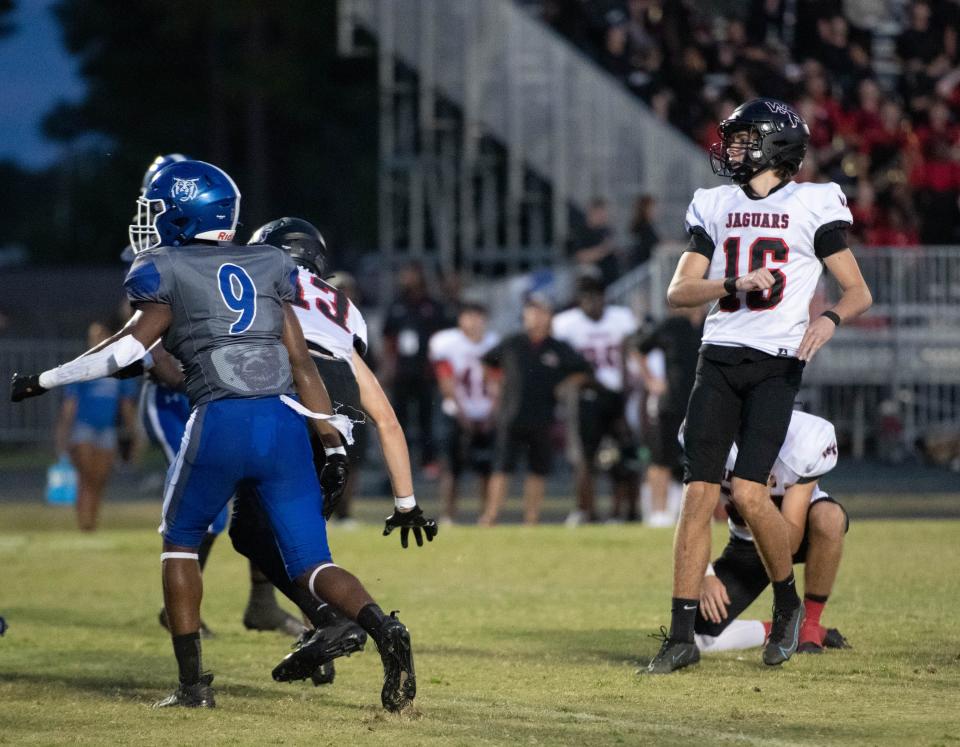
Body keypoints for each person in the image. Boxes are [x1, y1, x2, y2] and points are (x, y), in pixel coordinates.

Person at [11, 160, 419, 712]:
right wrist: (334, 443)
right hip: (283, 423)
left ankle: (193, 687)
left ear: (184, 212)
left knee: (180, 541)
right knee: (309, 561)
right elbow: (303, 364)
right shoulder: (270, 265)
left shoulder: (165, 267)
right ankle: (378, 626)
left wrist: (43, 379)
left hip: (221, 418)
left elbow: (128, 350)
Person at [646, 98, 872, 673]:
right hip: (717, 357)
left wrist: (829, 319)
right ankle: (678, 637)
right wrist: (732, 282)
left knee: (748, 493)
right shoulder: (715, 203)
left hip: (775, 362)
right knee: (697, 495)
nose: (733, 150)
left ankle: (789, 605)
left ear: (775, 145)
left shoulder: (811, 202)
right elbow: (678, 291)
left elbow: (858, 291)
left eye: (746, 140)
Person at [239, 217, 437, 686]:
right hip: (339, 414)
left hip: (289, 390)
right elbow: (386, 417)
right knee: (304, 546)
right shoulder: (342, 307)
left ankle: (333, 624)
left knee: (250, 530)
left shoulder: (261, 280)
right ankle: (359, 634)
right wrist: (405, 502)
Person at [130, 154, 303, 638]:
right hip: (179, 399)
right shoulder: (154, 260)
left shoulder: (221, 256)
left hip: (225, 395)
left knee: (257, 501)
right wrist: (186, 371)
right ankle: (179, 613)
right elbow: (136, 338)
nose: (148, 214)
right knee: (202, 513)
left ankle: (262, 604)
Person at [691, 411, 850, 655]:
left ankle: (810, 625)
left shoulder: (806, 437)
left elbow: (791, 542)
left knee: (829, 518)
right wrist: (706, 574)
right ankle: (780, 629)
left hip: (797, 534)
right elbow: (694, 516)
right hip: (747, 543)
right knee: (699, 632)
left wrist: (758, 506)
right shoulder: (705, 428)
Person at [479, 294, 591, 526]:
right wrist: (495, 387)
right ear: (525, 316)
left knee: (538, 469)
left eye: (542, 313)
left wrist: (565, 385)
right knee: (502, 467)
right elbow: (487, 362)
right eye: (532, 313)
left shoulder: (558, 348)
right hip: (511, 414)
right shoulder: (512, 343)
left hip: (542, 416)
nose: (537, 318)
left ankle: (531, 518)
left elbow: (583, 370)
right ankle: (491, 516)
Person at [551, 272, 638, 525]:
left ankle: (621, 511)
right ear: (579, 300)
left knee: (622, 455)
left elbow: (629, 352)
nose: (592, 303)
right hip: (585, 396)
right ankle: (585, 509)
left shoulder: (621, 318)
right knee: (584, 456)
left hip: (617, 395)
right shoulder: (565, 324)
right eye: (586, 298)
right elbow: (559, 362)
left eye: (596, 297)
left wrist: (628, 385)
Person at [53, 321, 139, 531]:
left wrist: (133, 431)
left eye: (101, 335)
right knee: (86, 475)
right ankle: (84, 522)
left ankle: (92, 521)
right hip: (84, 428)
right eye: (93, 336)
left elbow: (126, 404)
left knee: (100, 479)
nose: (96, 340)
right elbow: (70, 405)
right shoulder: (82, 366)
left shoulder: (118, 369)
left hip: (106, 430)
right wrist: (63, 433)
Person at [428, 303, 500, 525]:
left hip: (486, 412)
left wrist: (493, 411)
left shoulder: (494, 343)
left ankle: (486, 515)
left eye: (479, 316)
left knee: (487, 468)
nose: (474, 321)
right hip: (455, 412)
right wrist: (462, 414)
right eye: (470, 316)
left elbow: (498, 380)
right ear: (461, 319)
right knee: (451, 468)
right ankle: (449, 515)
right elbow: (446, 380)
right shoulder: (446, 342)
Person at [634, 304, 704, 527]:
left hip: (705, 402)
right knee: (661, 458)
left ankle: (703, 514)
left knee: (706, 461)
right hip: (672, 402)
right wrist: (651, 380)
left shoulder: (713, 323)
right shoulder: (671, 326)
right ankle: (659, 513)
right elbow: (638, 349)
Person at [381, 262, 447, 477]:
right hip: (401, 371)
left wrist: (437, 367)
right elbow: (388, 338)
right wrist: (388, 367)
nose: (407, 278)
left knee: (426, 418)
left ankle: (428, 460)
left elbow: (441, 338)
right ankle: (402, 460)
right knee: (399, 418)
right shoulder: (397, 304)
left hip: (424, 371)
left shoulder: (433, 306)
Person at [567, 198, 619, 288]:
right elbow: (581, 257)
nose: (604, 216)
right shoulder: (581, 232)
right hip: (594, 284)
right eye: (601, 213)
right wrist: (603, 250)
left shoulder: (606, 230)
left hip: (612, 280)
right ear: (593, 212)